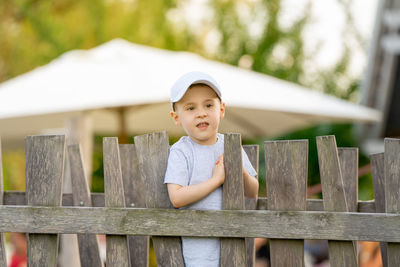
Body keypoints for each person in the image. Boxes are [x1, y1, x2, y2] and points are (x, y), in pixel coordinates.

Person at [164, 71, 259, 267]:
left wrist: (240, 171)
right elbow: (177, 197)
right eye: (190, 108)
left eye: (209, 105)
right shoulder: (181, 151)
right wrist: (215, 180)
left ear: (221, 110)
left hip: (234, 241)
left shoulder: (231, 145)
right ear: (176, 117)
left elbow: (252, 191)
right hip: (199, 247)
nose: (201, 113)